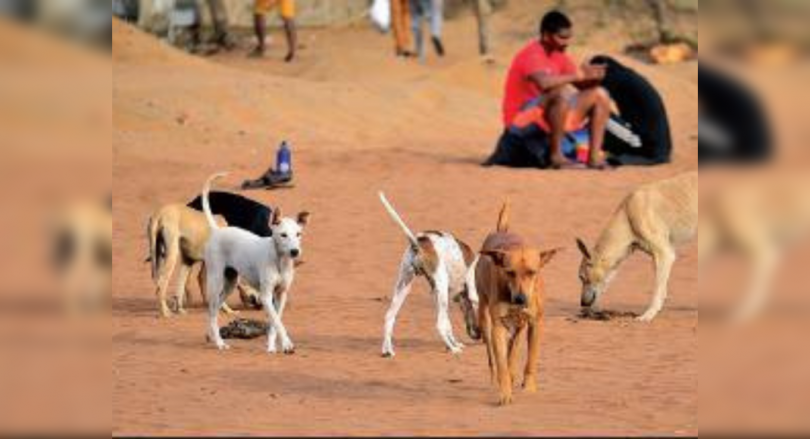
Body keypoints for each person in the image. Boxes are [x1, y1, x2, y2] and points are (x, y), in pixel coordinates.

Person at [500, 10, 612, 169]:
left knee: (600, 94)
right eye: (562, 37)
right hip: (520, 120)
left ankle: (593, 158)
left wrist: (593, 77)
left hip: (547, 114)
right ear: (546, 35)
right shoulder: (532, 54)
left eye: (569, 37)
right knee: (559, 92)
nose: (566, 42)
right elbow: (544, 83)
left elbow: (580, 84)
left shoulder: (559, 55)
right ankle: (556, 156)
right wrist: (579, 75)